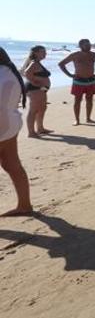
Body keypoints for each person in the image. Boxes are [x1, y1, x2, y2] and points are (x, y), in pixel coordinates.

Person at [0, 47, 33, 217]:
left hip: (2, 124)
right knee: (12, 164)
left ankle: (25, 205)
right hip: (10, 123)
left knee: (12, 165)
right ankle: (25, 205)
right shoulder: (9, 72)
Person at [58, 39, 95, 125]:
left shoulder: (93, 55)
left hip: (91, 81)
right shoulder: (75, 55)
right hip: (78, 81)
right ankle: (77, 120)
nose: (89, 46)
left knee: (89, 100)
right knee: (77, 100)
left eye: (89, 45)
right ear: (81, 46)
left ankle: (88, 118)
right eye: (87, 45)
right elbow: (61, 64)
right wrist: (70, 75)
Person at [21, 45, 53, 137]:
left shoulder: (37, 62)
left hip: (41, 89)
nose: (45, 53)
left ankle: (40, 128)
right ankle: (31, 132)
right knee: (33, 110)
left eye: (45, 52)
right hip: (35, 89)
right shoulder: (34, 63)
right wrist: (34, 83)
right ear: (36, 53)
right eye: (43, 52)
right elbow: (26, 73)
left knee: (42, 108)